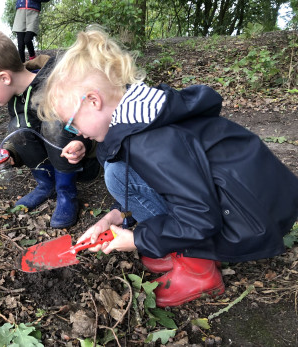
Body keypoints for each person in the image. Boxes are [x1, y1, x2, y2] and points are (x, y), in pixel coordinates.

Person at [38, 28, 298, 307]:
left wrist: (138, 238)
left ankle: (199, 272)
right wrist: (115, 217)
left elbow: (199, 217)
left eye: (72, 124)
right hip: (253, 199)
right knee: (117, 173)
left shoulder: (151, 142)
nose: (76, 133)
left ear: (93, 101)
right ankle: (176, 247)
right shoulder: (144, 111)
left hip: (250, 219)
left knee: (119, 176)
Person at [0, 30, 100, 229]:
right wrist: (8, 154)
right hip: (55, 160)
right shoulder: (16, 97)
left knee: (53, 123)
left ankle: (66, 193)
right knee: (17, 125)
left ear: (4, 78)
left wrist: (83, 143)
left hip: (82, 163)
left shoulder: (57, 84)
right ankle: (46, 185)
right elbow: (26, 132)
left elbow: (90, 119)